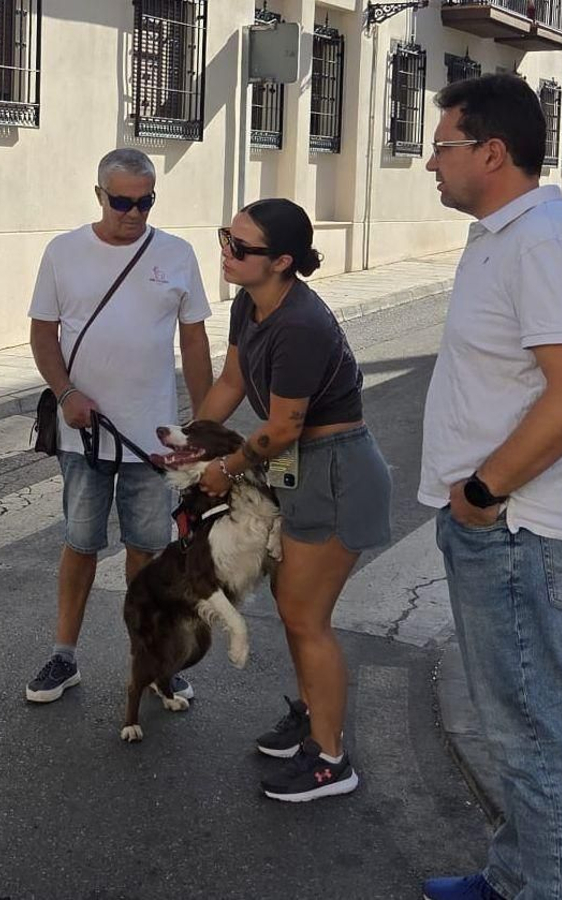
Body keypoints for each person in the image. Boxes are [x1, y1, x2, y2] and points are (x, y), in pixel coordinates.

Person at [416, 75, 562, 900]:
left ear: (491, 152)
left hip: (519, 531)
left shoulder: (542, 240)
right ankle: (513, 876)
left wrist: (483, 493)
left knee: (534, 739)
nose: (430, 161)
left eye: (443, 144)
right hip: (501, 528)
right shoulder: (503, 234)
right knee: (514, 730)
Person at [193, 198, 392, 803]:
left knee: (308, 618)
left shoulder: (300, 324)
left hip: (334, 471)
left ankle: (332, 759)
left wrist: (225, 467)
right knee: (292, 605)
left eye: (241, 248)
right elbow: (230, 383)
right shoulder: (251, 305)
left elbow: (282, 429)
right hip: (298, 469)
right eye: (227, 237)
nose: (227, 253)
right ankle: (312, 716)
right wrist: (191, 446)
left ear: (282, 261)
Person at [23, 147, 213, 703]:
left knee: (148, 554)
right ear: (100, 195)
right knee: (80, 545)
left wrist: (204, 425)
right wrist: (67, 392)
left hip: (151, 442)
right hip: (83, 436)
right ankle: (64, 657)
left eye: (145, 202)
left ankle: (153, 661)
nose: (133, 213)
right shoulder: (64, 252)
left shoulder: (176, 255)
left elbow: (195, 339)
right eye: (122, 201)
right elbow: (42, 333)